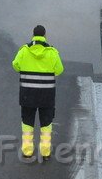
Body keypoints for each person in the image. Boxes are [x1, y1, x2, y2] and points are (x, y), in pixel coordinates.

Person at [12, 25, 64, 159]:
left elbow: (15, 65)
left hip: (27, 95)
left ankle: (27, 151)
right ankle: (45, 152)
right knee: (46, 124)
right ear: (44, 35)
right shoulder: (52, 52)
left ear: (33, 35)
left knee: (27, 123)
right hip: (46, 96)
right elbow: (59, 70)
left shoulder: (24, 50)